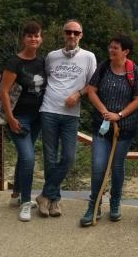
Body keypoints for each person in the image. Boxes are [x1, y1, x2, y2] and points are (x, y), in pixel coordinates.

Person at [80, 34, 138, 226]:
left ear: (126, 51)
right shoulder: (103, 67)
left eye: (115, 48)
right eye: (111, 47)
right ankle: (95, 204)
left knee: (117, 167)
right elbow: (91, 90)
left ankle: (115, 202)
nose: (111, 50)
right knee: (98, 166)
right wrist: (104, 111)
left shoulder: (135, 72)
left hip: (124, 129)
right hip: (101, 127)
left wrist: (120, 115)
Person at [35, 19, 97, 218]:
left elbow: (92, 85)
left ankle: (44, 195)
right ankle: (53, 201)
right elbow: (43, 80)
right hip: (49, 110)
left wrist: (78, 94)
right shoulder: (52, 56)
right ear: (63, 34)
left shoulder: (89, 57)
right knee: (50, 158)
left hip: (71, 114)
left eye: (75, 33)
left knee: (68, 158)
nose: (72, 36)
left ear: (81, 35)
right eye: (68, 32)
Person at [0, 21, 46, 222]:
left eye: (36, 36)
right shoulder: (14, 62)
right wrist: (10, 118)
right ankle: (26, 202)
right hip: (19, 117)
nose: (33, 39)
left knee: (24, 157)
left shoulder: (43, 62)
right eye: (29, 36)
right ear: (23, 38)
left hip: (38, 118)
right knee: (28, 158)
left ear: (41, 38)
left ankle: (16, 195)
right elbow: (3, 91)